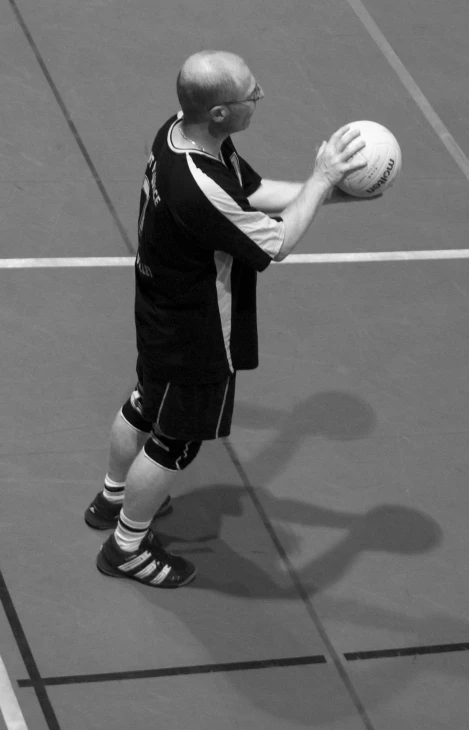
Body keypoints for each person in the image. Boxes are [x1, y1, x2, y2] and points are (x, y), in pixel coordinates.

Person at [85, 49, 376, 588]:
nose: (259, 97)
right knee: (176, 440)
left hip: (158, 306)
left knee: (145, 403)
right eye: (251, 94)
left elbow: (252, 194)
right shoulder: (198, 185)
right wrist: (320, 178)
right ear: (218, 111)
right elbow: (279, 240)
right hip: (196, 327)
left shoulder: (180, 132)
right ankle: (126, 546)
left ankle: (111, 497)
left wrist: (331, 192)